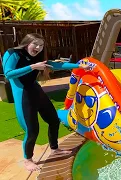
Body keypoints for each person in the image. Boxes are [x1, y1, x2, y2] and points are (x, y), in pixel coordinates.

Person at [2, 33, 90, 171]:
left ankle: (55, 148)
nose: (38, 47)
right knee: (32, 130)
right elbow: (8, 74)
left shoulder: (38, 57)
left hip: (36, 91)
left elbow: (55, 65)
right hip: (23, 95)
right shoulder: (13, 53)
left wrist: (80, 66)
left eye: (41, 45)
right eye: (35, 44)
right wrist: (33, 67)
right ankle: (28, 159)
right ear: (27, 43)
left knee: (54, 120)